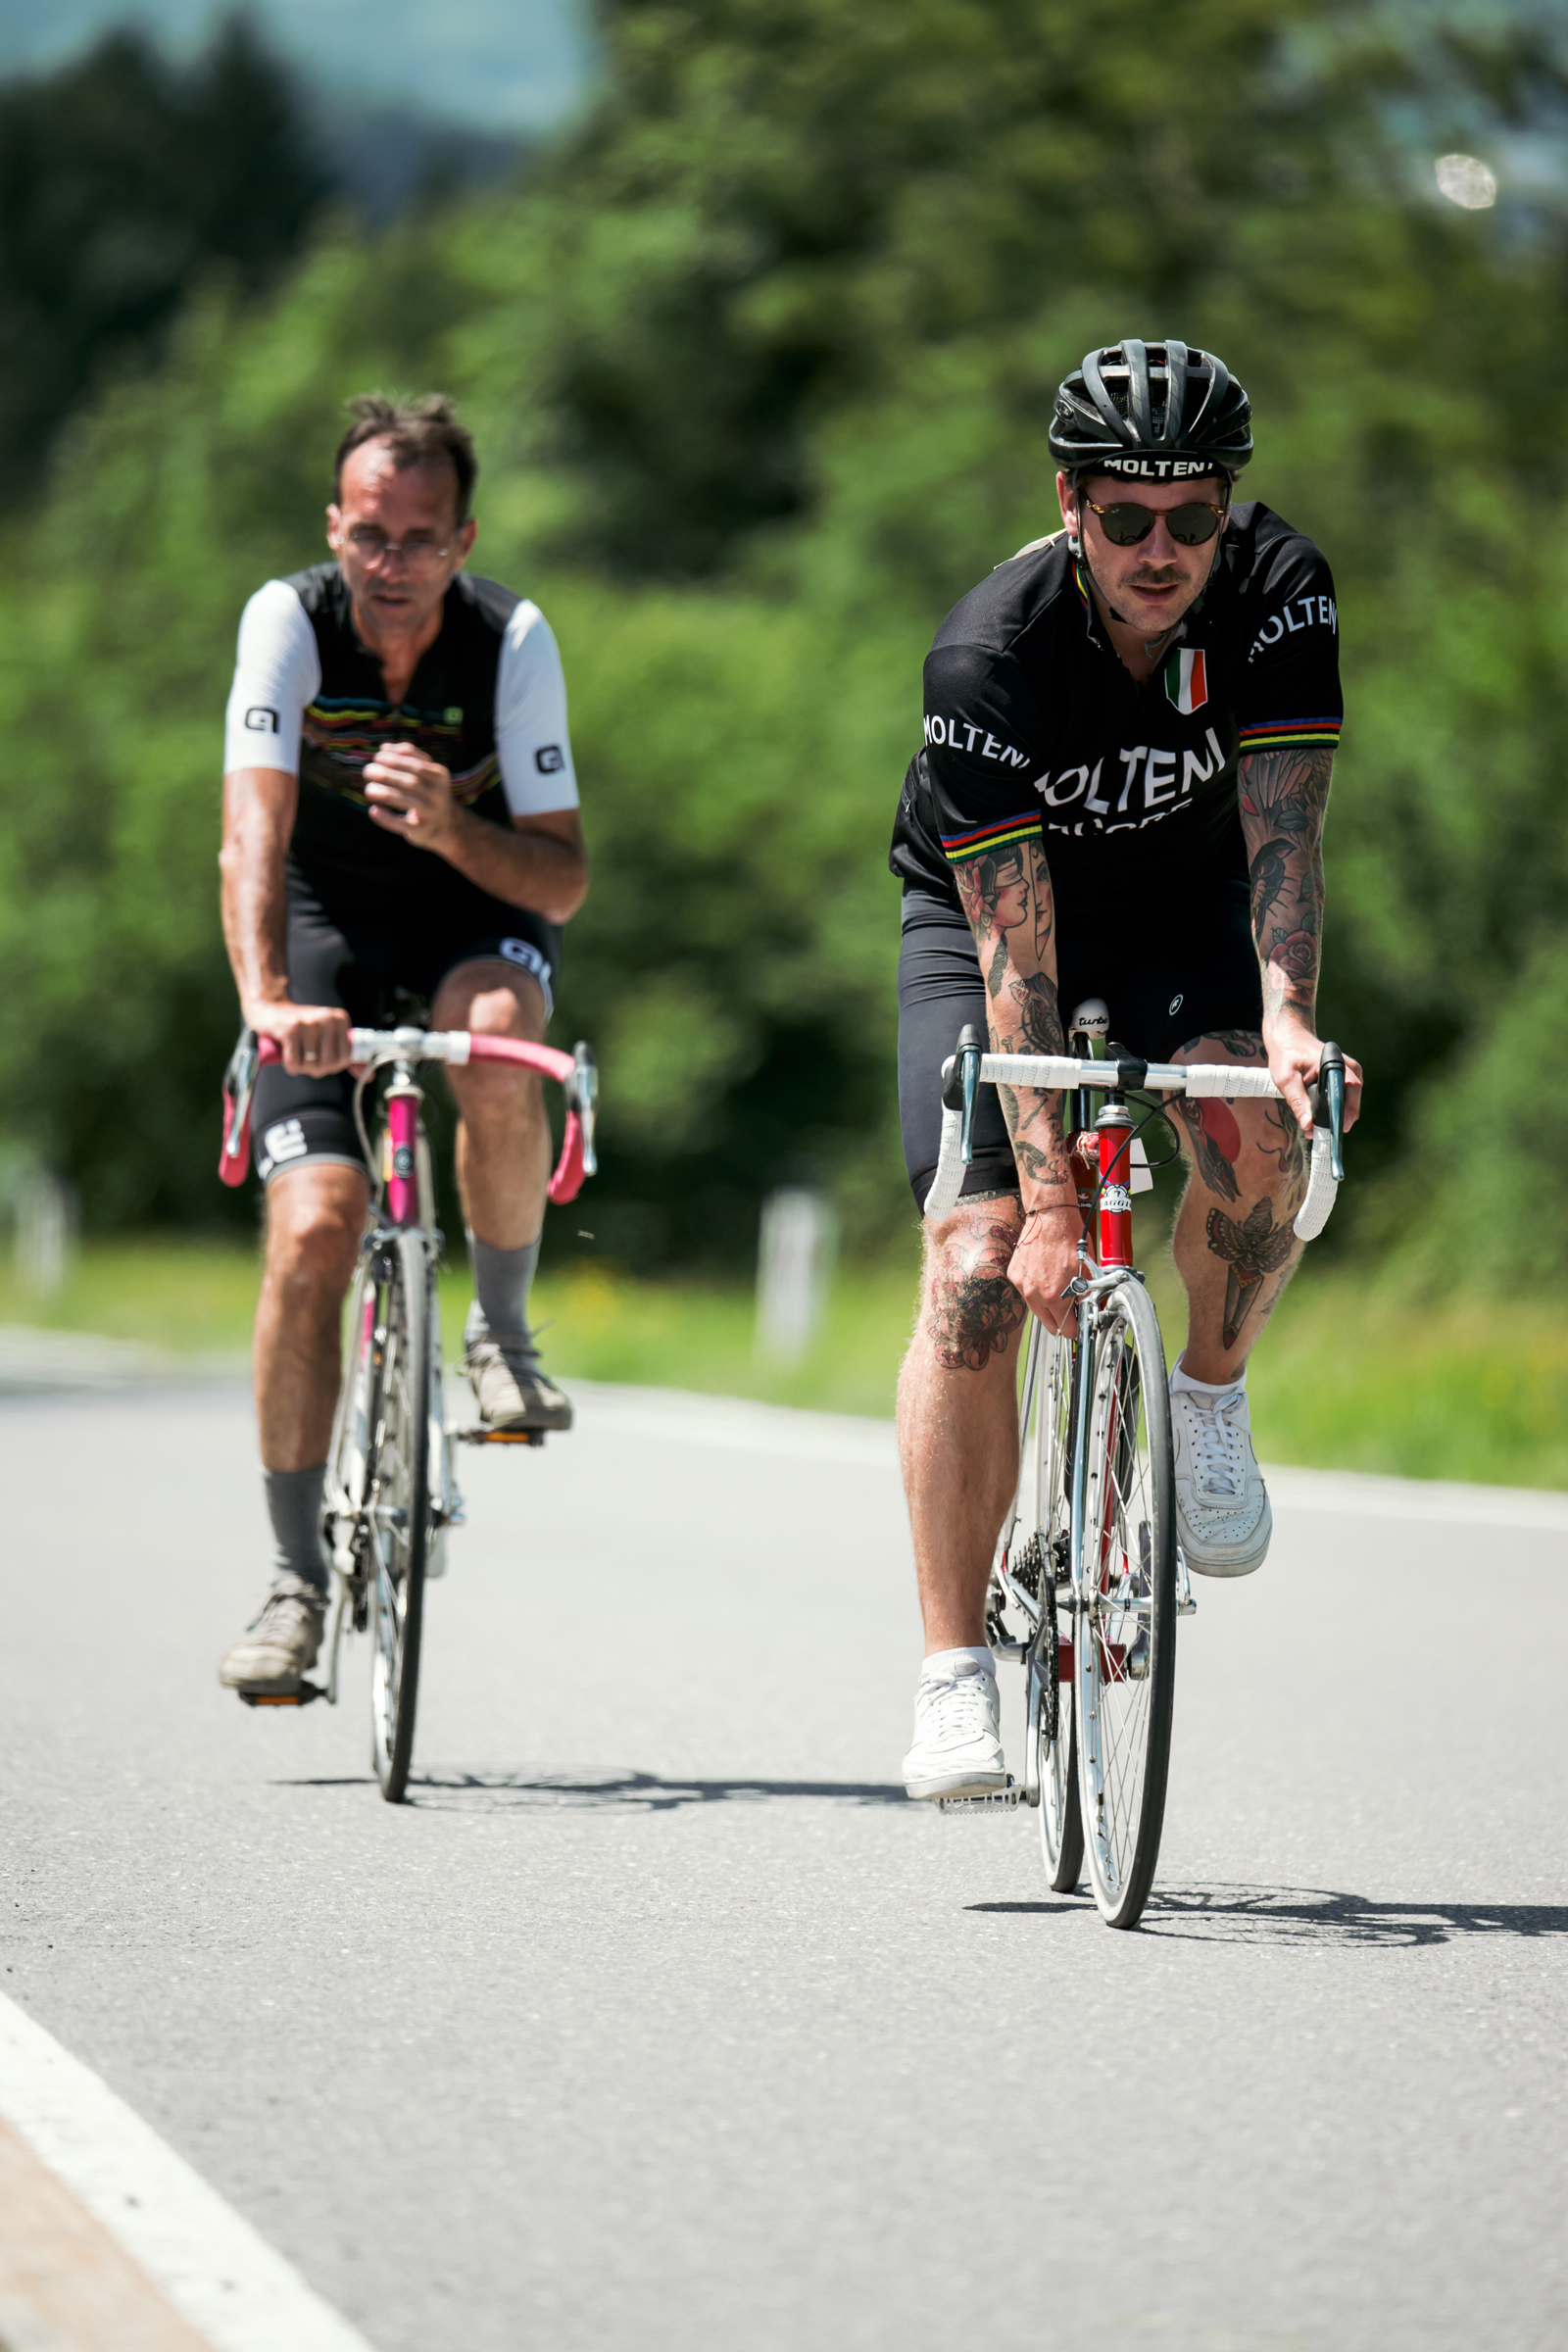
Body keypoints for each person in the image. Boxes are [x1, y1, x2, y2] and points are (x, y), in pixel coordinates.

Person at [890, 339, 1363, 1800]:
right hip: (984, 927)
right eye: (1127, 518)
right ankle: (952, 1677)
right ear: (1070, 505)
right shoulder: (990, 654)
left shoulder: (1281, 592)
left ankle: (1206, 1395)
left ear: (1228, 511)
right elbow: (1016, 953)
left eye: (1193, 517)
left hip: (1177, 908)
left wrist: (1288, 1021)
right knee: (978, 1265)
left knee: (1263, 1135)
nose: (1162, 552)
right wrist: (1045, 1206)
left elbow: (1284, 834)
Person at [216, 393, 588, 1695]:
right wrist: (268, 1000)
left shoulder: (510, 640)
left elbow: (562, 880)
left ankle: (500, 1337)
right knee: (314, 1230)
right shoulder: (288, 621)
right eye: (371, 533)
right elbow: (251, 836)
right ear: (336, 527)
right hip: (318, 933)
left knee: (495, 1040)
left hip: (469, 921)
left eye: (421, 538)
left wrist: (449, 829)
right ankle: (292, 1581)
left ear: (461, 542)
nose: (391, 562)